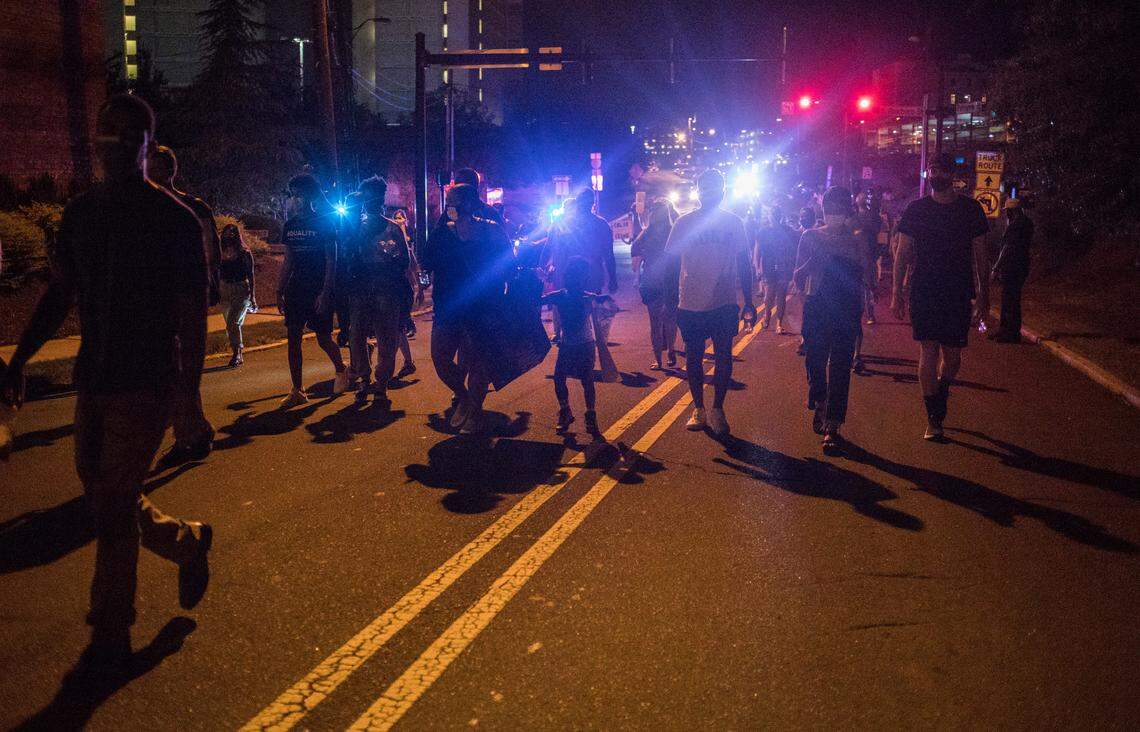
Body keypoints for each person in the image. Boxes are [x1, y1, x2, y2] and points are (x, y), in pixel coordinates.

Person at [0, 95, 212, 666]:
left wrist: (189, 400)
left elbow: (192, 318)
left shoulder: (175, 222)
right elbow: (58, 294)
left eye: (124, 138)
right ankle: (187, 541)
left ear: (147, 144)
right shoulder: (82, 215)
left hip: (148, 383)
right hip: (93, 378)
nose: (111, 148)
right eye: (104, 137)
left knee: (114, 504)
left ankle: (110, 631)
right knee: (105, 495)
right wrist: (18, 362)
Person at [891, 154, 990, 441]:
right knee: (928, 351)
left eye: (940, 170)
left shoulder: (971, 210)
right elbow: (902, 254)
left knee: (954, 357)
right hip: (924, 290)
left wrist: (985, 295)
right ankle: (933, 417)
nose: (935, 174)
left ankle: (942, 390)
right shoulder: (917, 210)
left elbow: (981, 256)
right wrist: (897, 292)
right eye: (931, 169)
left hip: (958, 291)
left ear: (951, 175)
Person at [665, 169, 756, 436]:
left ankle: (717, 408)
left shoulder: (734, 223)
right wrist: (671, 298)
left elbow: (744, 263)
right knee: (693, 357)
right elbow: (670, 261)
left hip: (723, 300)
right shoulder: (684, 223)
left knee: (724, 356)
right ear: (699, 191)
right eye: (706, 188)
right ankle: (699, 408)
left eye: (716, 188)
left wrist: (748, 300)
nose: (711, 193)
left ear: (723, 192)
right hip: (690, 300)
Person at [420, 183, 514, 433]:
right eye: (448, 201)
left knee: (478, 362)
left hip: (484, 305)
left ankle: (474, 412)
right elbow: (425, 262)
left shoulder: (493, 231)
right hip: (448, 304)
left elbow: (510, 266)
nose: (449, 206)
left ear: (471, 203)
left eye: (453, 201)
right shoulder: (442, 232)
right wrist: (422, 284)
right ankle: (464, 397)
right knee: (440, 357)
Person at [146, 144, 218, 464]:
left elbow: (210, 249)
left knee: (181, 363)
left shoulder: (193, 207)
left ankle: (188, 432)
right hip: (159, 293)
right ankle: (194, 427)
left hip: (186, 291)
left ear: (168, 170)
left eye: (153, 166)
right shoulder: (146, 207)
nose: (148, 171)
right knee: (172, 364)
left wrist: (207, 284)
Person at [794, 187, 875, 450]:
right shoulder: (810, 236)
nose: (836, 214)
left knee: (840, 365)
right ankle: (819, 400)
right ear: (825, 211)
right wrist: (814, 263)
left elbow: (869, 276)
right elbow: (798, 276)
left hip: (847, 309)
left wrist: (864, 270)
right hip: (817, 306)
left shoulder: (857, 240)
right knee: (815, 360)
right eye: (832, 209)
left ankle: (832, 424)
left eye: (841, 209)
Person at [277, 173, 349, 408]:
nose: (294, 199)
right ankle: (297, 389)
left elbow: (331, 259)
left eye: (298, 194)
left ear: (309, 195)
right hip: (296, 289)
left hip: (317, 286)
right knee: (293, 338)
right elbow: (288, 260)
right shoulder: (290, 225)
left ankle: (341, 369)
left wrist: (326, 291)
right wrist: (280, 289)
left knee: (323, 338)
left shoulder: (324, 222)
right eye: (292, 195)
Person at [347, 177, 411, 408]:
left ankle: (381, 384)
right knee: (356, 337)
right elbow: (344, 256)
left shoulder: (393, 227)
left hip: (387, 289)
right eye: (369, 196)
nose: (373, 200)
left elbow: (405, 260)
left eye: (377, 195)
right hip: (361, 289)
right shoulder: (355, 226)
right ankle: (364, 379)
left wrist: (389, 258)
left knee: (387, 340)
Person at [547, 189, 620, 380]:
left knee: (569, 315)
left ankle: (572, 357)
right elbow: (608, 254)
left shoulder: (564, 223)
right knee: (588, 313)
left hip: (569, 275)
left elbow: (550, 247)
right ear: (591, 203)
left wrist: (547, 268)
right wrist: (612, 277)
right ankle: (585, 356)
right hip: (590, 274)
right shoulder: (600, 224)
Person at [542, 258, 603, 435]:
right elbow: (539, 300)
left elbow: (539, 300)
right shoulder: (579, 296)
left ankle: (583, 413)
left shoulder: (579, 297)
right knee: (570, 378)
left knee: (578, 379)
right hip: (575, 344)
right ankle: (575, 412)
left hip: (582, 344)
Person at [631, 198, 679, 370]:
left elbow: (634, 250)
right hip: (669, 280)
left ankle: (659, 359)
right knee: (669, 320)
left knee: (656, 323)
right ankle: (670, 351)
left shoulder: (647, 233)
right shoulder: (673, 231)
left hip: (653, 281)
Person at [990, 198, 1033, 343]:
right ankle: (1004, 330)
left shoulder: (1015, 226)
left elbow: (1007, 248)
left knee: (1010, 300)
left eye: (1007, 212)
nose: (1006, 215)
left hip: (1012, 267)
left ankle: (1011, 334)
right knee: (1010, 299)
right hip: (1021, 266)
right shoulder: (1027, 223)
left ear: (1011, 211)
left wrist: (996, 267)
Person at [755, 205, 798, 334]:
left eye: (777, 215)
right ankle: (766, 317)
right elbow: (757, 250)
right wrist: (758, 267)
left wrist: (793, 268)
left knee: (781, 296)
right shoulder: (763, 231)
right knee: (768, 296)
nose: (774, 218)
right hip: (768, 265)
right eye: (773, 215)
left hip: (783, 266)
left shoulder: (787, 231)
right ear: (769, 216)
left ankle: (779, 322)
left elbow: (792, 250)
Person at [218, 224, 256, 367]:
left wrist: (253, 296)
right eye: (227, 232)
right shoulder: (220, 252)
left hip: (241, 289)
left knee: (233, 323)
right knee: (230, 324)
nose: (229, 235)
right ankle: (236, 349)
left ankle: (237, 353)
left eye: (233, 233)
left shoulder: (244, 252)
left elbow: (251, 274)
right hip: (224, 288)